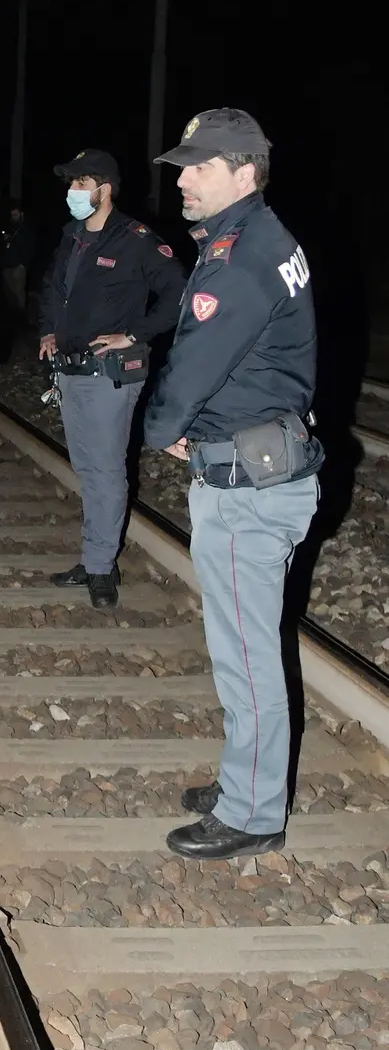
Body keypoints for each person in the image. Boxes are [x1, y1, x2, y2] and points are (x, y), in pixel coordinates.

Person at [144, 107, 324, 861]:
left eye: (197, 166)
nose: (181, 178)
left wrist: (157, 426)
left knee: (246, 654)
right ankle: (243, 780)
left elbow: (195, 361)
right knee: (246, 645)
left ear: (242, 171)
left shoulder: (240, 254)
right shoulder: (259, 240)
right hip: (259, 464)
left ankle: (252, 813)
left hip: (250, 486)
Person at [38, 148, 185, 608]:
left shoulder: (136, 239)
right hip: (71, 369)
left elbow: (180, 294)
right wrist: (48, 330)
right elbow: (53, 289)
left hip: (109, 374)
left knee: (105, 470)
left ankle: (101, 569)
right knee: (87, 469)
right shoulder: (72, 237)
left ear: (105, 190)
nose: (73, 192)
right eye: (71, 183)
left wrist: (132, 334)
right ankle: (94, 557)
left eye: (81, 184)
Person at [0, 200, 36, 315]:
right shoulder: (11, 227)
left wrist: (23, 264)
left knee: (18, 294)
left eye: (15, 215)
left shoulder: (26, 229)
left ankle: (21, 319)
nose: (13, 217)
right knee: (9, 294)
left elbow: (30, 247)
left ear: (21, 214)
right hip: (7, 265)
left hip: (18, 267)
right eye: (12, 215)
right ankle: (12, 317)